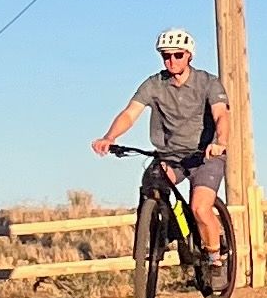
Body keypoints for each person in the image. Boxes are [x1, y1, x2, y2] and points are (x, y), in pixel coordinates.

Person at [95, 26, 232, 282]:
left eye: (177, 55)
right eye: (165, 56)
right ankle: (159, 231)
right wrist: (110, 137)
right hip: (171, 156)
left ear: (189, 55)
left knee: (201, 208)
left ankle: (215, 258)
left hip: (205, 156)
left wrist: (220, 142)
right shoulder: (154, 84)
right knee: (152, 183)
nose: (171, 61)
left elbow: (221, 114)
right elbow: (130, 113)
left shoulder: (208, 83)